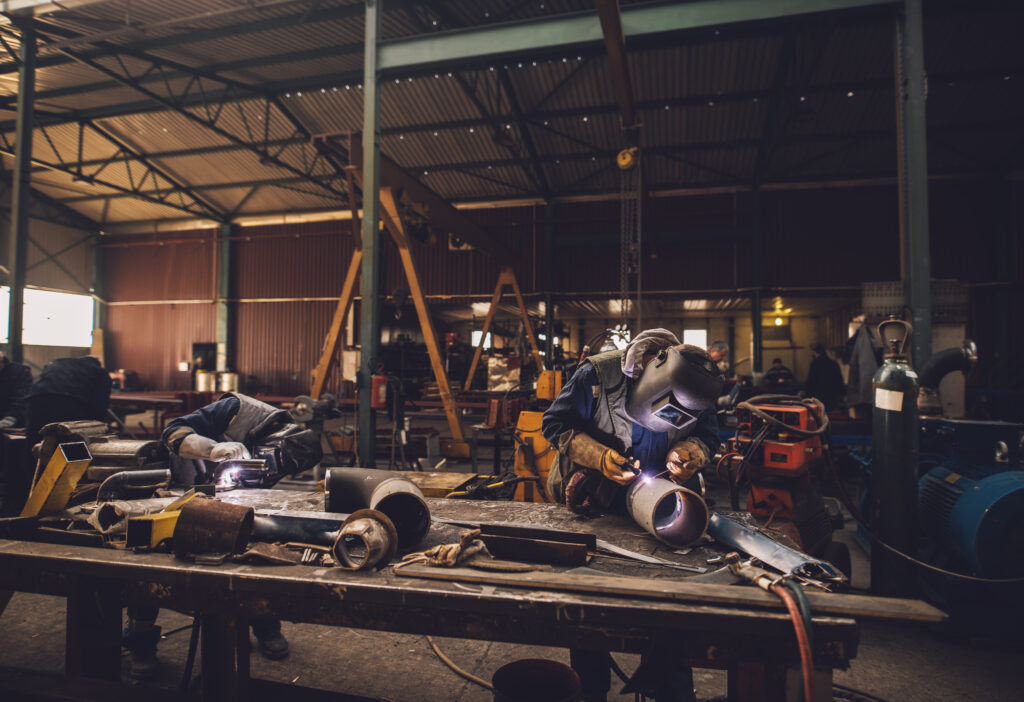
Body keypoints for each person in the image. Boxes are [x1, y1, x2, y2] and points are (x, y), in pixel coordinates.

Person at [541, 329, 722, 702]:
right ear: (644, 369)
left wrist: (691, 451)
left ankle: (668, 688)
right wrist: (598, 456)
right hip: (596, 507)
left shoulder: (696, 384)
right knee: (589, 611)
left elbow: (709, 436)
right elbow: (553, 425)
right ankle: (590, 691)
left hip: (657, 507)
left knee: (667, 611)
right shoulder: (597, 376)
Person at [123, 392, 322, 680]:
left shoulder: (288, 452)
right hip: (180, 486)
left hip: (227, 498)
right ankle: (140, 644)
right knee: (155, 558)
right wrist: (211, 448)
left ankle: (266, 625)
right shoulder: (236, 409)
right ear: (273, 440)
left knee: (252, 552)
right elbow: (173, 431)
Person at [25, 355, 111, 445]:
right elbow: (100, 403)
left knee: (34, 440)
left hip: (36, 399)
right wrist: (98, 425)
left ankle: (31, 458)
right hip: (70, 402)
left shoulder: (58, 362)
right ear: (99, 364)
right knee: (69, 443)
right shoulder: (100, 371)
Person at [804, 343, 845, 411]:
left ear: (816, 353)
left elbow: (811, 380)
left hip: (818, 395)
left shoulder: (815, 364)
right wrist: (841, 393)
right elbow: (839, 380)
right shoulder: (833, 363)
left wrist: (808, 394)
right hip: (832, 395)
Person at [0, 352, 31, 430]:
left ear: (1, 361)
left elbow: (22, 398)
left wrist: (10, 418)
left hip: (14, 424)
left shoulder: (20, 373)